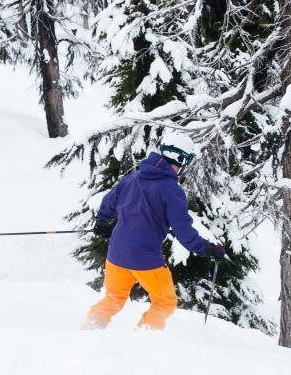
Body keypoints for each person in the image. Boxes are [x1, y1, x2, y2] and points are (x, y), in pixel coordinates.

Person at [83, 132, 226, 331]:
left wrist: (103, 222)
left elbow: (109, 201)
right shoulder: (171, 190)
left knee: (113, 298)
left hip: (116, 253)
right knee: (165, 302)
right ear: (181, 159)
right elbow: (183, 231)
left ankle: (89, 330)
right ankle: (144, 339)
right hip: (146, 258)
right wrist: (207, 249)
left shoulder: (133, 177)